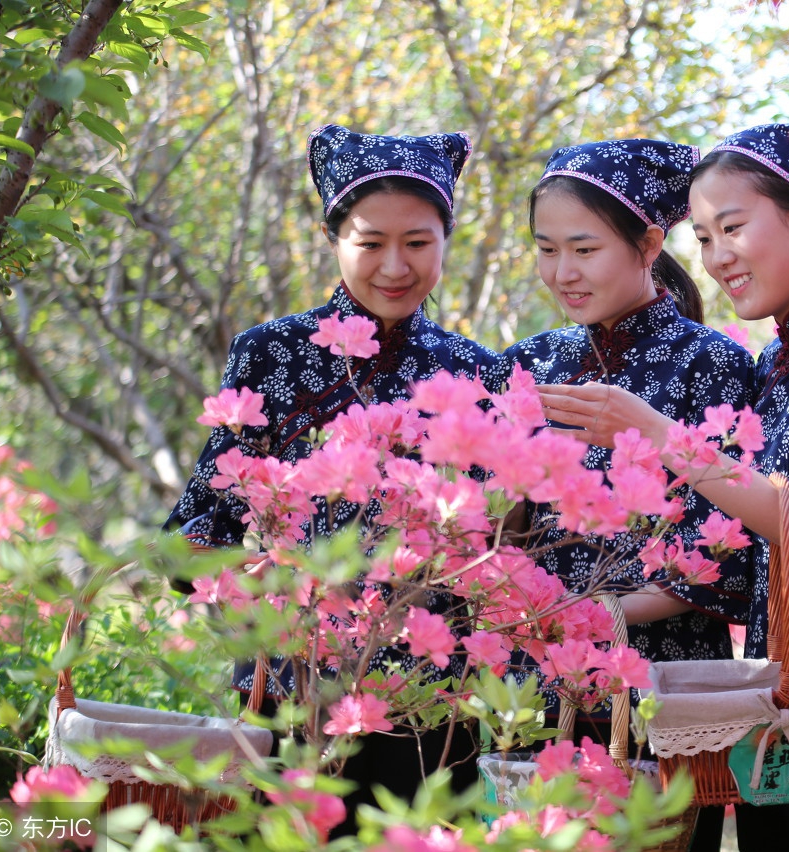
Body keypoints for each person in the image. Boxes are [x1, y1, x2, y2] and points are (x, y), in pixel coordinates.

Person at [537, 123, 789, 851]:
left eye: (732, 227)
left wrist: (660, 434)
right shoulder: (781, 362)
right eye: (701, 237)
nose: (716, 257)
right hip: (785, 707)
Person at [165, 124, 498, 833]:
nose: (395, 266)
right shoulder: (268, 355)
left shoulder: (476, 370)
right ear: (331, 236)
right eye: (370, 242)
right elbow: (200, 523)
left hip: (430, 705)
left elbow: (495, 540)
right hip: (294, 690)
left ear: (447, 239)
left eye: (418, 242)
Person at [483, 138, 757, 852]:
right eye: (546, 250)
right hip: (538, 673)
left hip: (661, 672)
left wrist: (594, 615)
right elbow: (503, 533)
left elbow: (721, 550)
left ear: (648, 243)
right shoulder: (528, 365)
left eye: (583, 249)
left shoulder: (714, 365)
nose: (561, 273)